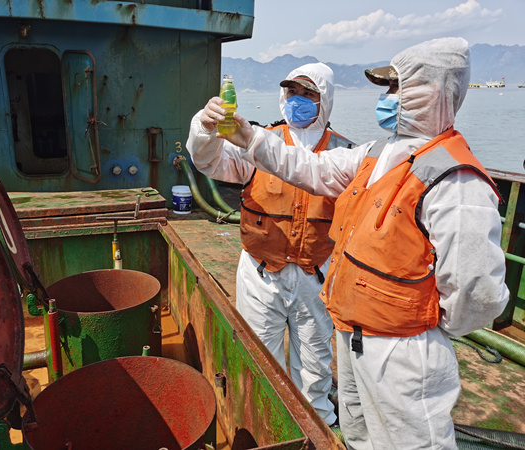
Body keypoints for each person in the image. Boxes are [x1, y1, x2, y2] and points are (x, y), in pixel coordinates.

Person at [212, 37, 510, 449]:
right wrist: (249, 137)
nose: (387, 99)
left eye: (396, 89)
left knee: (410, 442)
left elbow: (478, 291)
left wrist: (423, 330)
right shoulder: (377, 153)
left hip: (401, 351)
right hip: (351, 334)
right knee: (359, 435)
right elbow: (308, 168)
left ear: (436, 93)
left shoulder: (455, 179)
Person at [186, 63, 355, 426]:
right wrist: (205, 129)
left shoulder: (344, 153)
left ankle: (319, 426)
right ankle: (265, 426)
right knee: (261, 358)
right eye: (292, 92)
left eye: (308, 94)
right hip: (261, 274)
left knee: (314, 364)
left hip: (316, 277)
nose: (298, 100)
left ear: (325, 100)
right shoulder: (255, 141)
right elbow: (209, 161)